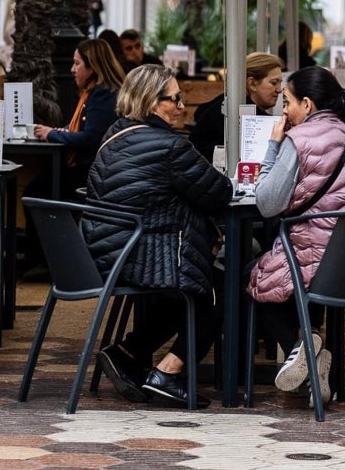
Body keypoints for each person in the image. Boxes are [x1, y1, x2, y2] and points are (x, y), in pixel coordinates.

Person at [84, 64, 232, 405]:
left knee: (186, 289)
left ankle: (127, 352)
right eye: (175, 99)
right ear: (152, 103)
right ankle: (168, 373)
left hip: (108, 251)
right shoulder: (170, 147)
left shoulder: (114, 135)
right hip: (144, 253)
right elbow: (219, 193)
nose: (182, 106)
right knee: (219, 290)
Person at [247, 66, 345, 402]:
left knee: (251, 278)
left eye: (288, 102)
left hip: (320, 262)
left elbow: (266, 203)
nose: (283, 110)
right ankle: (312, 354)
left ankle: (307, 349)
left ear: (307, 105)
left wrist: (273, 145)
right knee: (287, 266)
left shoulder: (300, 139)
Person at [33, 38, 124, 190]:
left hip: (90, 174)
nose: (72, 69)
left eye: (77, 63)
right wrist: (63, 130)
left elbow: (91, 138)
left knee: (34, 191)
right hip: (95, 171)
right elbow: (84, 128)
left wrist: (51, 134)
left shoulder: (102, 94)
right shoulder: (94, 92)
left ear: (92, 67)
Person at [189, 52, 284, 162]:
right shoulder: (238, 115)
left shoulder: (223, 105)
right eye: (274, 83)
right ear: (252, 84)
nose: (279, 89)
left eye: (280, 83)